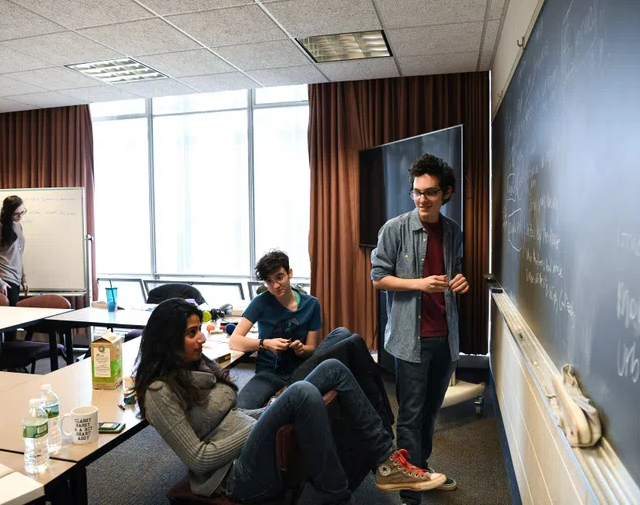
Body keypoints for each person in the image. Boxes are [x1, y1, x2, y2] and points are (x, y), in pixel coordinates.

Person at [133, 299, 447, 503]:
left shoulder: (199, 363)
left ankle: (387, 461)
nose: (201, 338)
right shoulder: (159, 392)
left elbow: (234, 414)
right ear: (169, 340)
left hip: (252, 444)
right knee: (301, 393)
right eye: (192, 333)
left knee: (333, 368)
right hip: (234, 476)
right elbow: (199, 459)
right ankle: (338, 496)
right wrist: (264, 417)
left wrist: (262, 414)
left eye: (199, 329)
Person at [370, 154, 470, 504]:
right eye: (416, 192)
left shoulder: (453, 231)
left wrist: (459, 283)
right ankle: (409, 492)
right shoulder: (394, 229)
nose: (421, 199)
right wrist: (418, 284)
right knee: (410, 417)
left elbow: (454, 273)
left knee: (430, 413)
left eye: (429, 193)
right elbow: (379, 278)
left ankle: (422, 471)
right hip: (410, 341)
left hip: (445, 338)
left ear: (446, 193)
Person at [229, 250, 325, 408]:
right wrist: (266, 344)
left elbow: (311, 348)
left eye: (280, 277)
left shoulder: (311, 304)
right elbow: (234, 341)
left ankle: (280, 401)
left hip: (300, 370)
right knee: (241, 408)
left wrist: (301, 349)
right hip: (268, 372)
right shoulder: (261, 302)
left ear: (290, 273)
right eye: (269, 281)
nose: (275, 286)